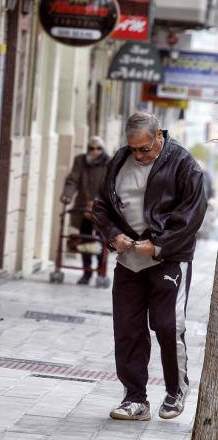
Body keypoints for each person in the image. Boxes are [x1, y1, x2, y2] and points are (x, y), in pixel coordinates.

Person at [93, 112, 207, 423]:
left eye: (146, 148)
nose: (140, 155)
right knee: (128, 329)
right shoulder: (119, 161)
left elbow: (192, 214)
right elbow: (101, 204)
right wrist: (112, 234)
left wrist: (159, 245)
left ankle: (175, 390)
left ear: (159, 137)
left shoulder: (184, 164)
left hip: (168, 257)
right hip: (129, 260)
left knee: (168, 326)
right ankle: (135, 398)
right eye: (134, 149)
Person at [61, 136, 109, 284]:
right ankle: (87, 272)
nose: (95, 151)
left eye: (98, 148)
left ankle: (101, 272)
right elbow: (73, 179)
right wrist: (67, 195)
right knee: (85, 240)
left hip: (101, 209)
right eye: (91, 148)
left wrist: (98, 201)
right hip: (83, 209)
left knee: (101, 241)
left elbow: (112, 185)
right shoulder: (80, 160)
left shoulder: (109, 162)